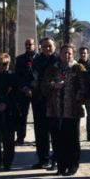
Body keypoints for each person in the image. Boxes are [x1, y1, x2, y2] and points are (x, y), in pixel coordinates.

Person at [42, 44, 89, 176]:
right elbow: (44, 87)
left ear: (73, 54)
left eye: (69, 53)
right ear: (59, 54)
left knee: (72, 139)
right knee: (57, 139)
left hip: (72, 111)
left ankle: (72, 165)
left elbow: (85, 88)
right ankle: (61, 166)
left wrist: (77, 97)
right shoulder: (52, 69)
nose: (66, 55)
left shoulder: (78, 68)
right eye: (64, 53)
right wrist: (53, 85)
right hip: (55, 110)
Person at [31, 38, 58, 169]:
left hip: (54, 101)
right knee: (40, 132)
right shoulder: (36, 61)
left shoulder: (59, 60)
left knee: (55, 132)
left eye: (49, 46)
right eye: (44, 46)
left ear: (54, 47)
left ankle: (55, 160)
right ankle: (43, 159)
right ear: (40, 47)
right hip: (39, 100)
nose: (47, 49)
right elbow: (32, 76)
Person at [14, 38, 37, 145]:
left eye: (30, 44)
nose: (28, 46)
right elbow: (17, 76)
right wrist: (25, 87)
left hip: (37, 91)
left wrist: (35, 85)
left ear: (34, 45)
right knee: (22, 115)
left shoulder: (40, 58)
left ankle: (40, 138)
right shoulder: (19, 59)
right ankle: (20, 138)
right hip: (24, 91)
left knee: (39, 116)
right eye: (26, 44)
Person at [78, 46, 90, 142]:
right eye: (81, 53)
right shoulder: (75, 65)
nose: (83, 55)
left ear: (88, 54)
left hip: (89, 94)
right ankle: (75, 135)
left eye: (84, 53)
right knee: (76, 115)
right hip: (78, 94)